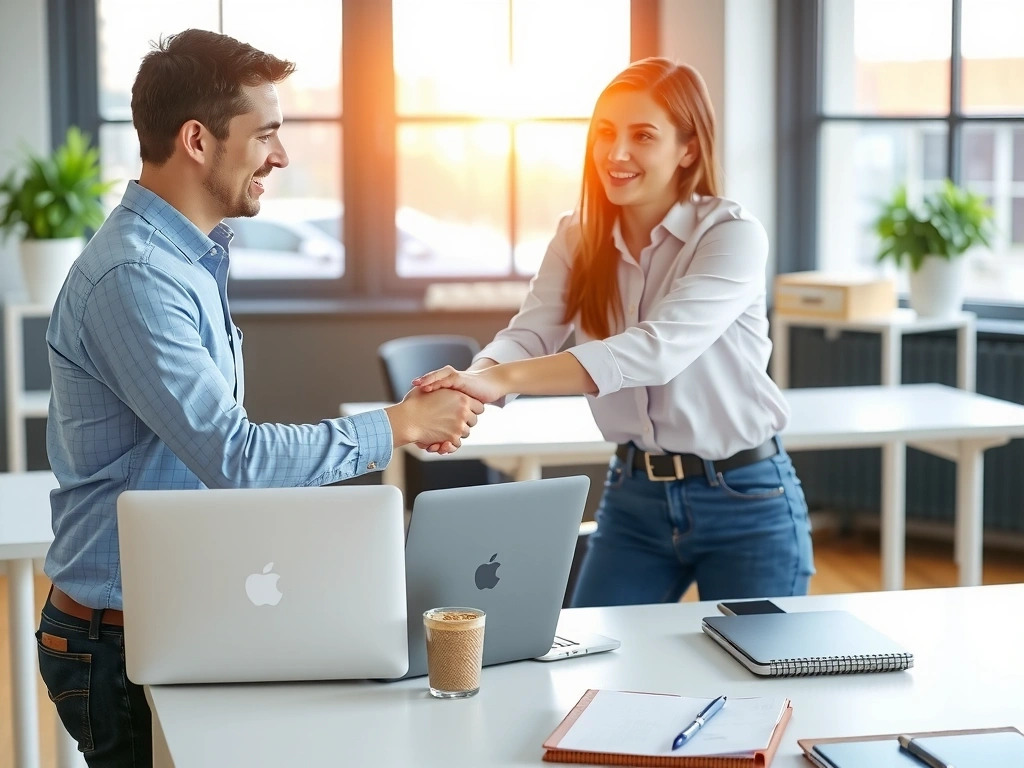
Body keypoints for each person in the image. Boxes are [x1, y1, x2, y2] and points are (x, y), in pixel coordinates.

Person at [36, 29, 482, 767]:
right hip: (116, 639)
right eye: (266, 134)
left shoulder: (189, 261)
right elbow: (234, 458)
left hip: (172, 613)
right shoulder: (136, 279)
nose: (281, 156)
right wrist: (398, 425)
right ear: (197, 141)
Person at [413, 57, 814, 608]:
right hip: (635, 497)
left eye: (643, 135)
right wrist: (473, 379)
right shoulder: (578, 236)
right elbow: (530, 333)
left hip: (745, 495)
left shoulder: (731, 234)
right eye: (606, 133)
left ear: (689, 148)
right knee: (595, 670)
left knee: (756, 682)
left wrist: (499, 379)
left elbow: (657, 350)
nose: (616, 153)